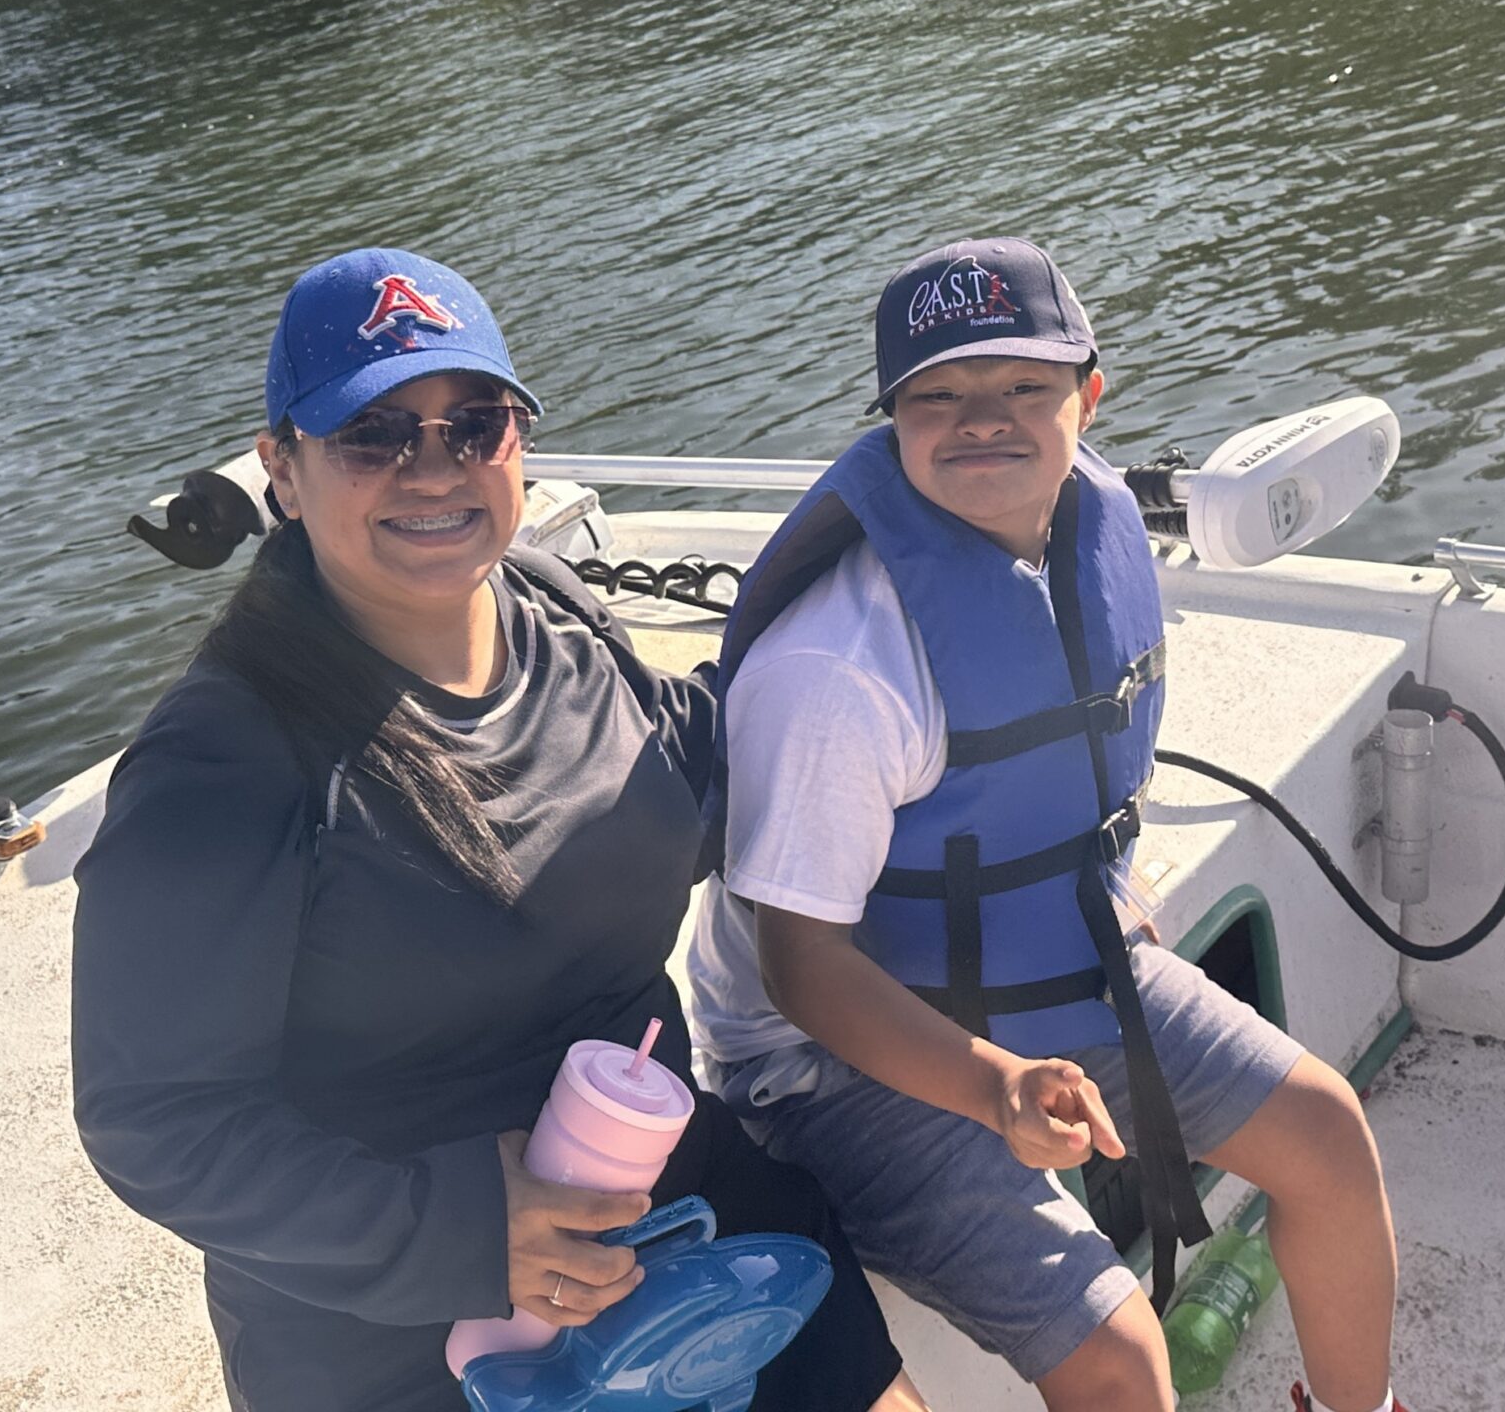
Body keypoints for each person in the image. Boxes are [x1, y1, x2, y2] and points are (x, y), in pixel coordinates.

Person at [71, 247, 924, 1412]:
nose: (433, 471)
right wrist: (469, 1230)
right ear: (281, 468)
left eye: (472, 425)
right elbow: (157, 1122)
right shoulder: (221, 764)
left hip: (677, 1213)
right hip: (410, 1327)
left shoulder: (554, 609)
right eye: (372, 435)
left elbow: (708, 782)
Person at [687, 238, 1403, 1412]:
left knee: (1324, 1135)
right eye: (936, 397)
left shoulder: (1092, 536)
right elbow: (800, 969)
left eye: (1021, 386)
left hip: (1051, 961)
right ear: (889, 420)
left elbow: (1065, 767)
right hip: (824, 1058)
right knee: (1121, 1361)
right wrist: (993, 1091)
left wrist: (1106, 888)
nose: (981, 421)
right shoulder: (838, 667)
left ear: (1089, 393)